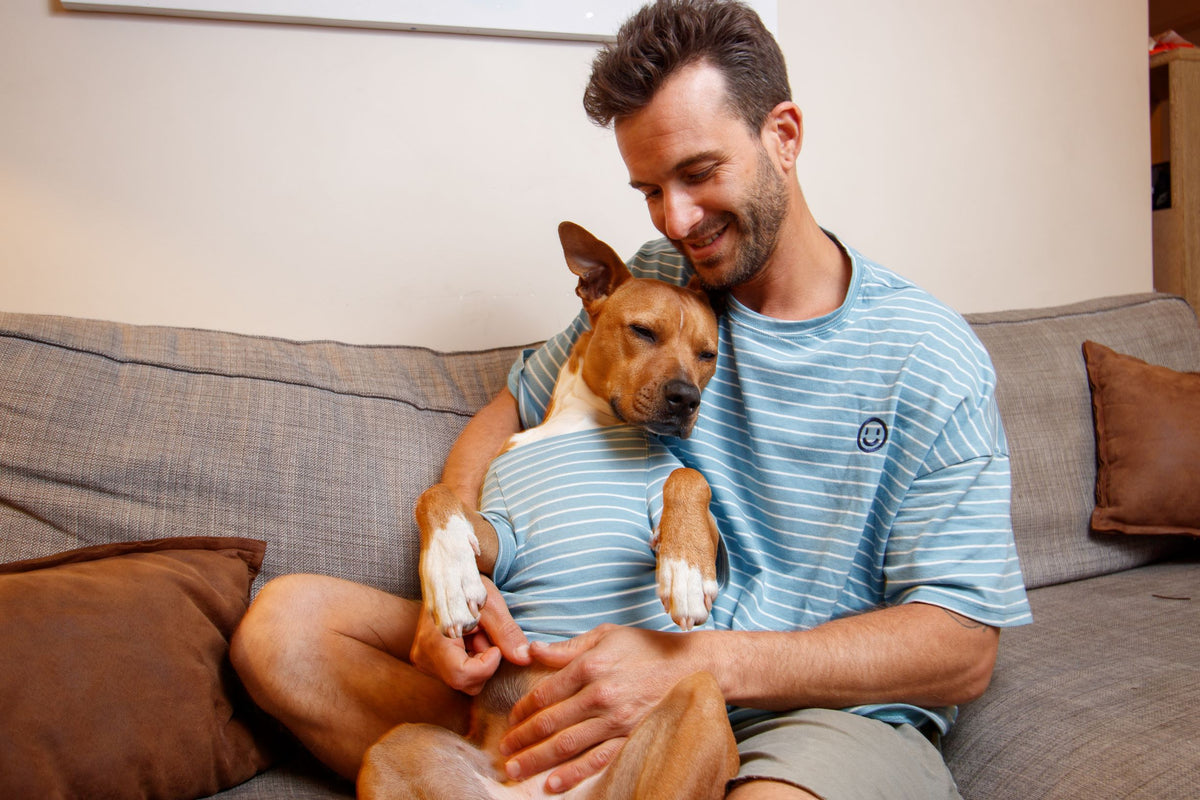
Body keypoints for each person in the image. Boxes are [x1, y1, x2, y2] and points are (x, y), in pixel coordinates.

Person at [231, 1, 1032, 797]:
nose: (676, 218)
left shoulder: (929, 355)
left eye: (699, 173)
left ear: (782, 136)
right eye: (650, 187)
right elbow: (507, 415)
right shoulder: (662, 279)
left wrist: (691, 666)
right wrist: (461, 591)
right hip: (569, 661)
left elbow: (961, 647)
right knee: (284, 630)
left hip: (810, 716)